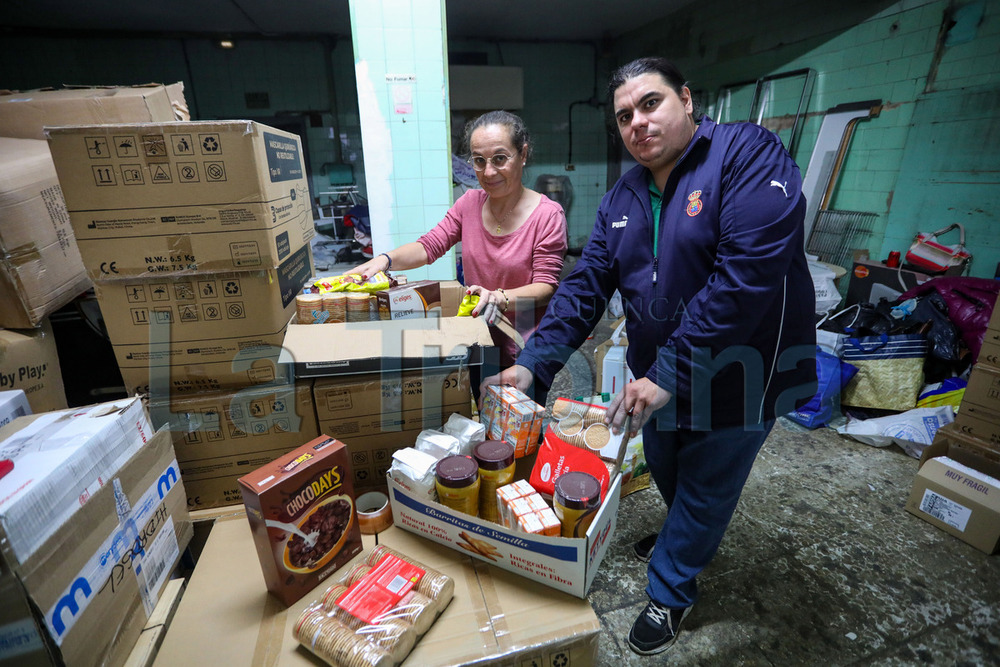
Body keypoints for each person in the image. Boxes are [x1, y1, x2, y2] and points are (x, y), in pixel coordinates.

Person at [483, 58, 817, 655]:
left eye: (651, 103)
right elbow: (586, 286)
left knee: (708, 484)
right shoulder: (626, 194)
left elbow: (745, 279)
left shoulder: (748, 155)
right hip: (662, 372)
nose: (637, 122)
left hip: (745, 370)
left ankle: (672, 589)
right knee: (664, 461)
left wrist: (668, 371)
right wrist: (536, 361)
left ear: (687, 100)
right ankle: (680, 534)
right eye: (624, 116)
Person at [351, 110, 567, 400]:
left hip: (524, 349)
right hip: (478, 338)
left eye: (500, 158)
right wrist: (383, 260)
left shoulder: (547, 215)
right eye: (479, 160)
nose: (488, 172)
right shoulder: (469, 204)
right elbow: (430, 246)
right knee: (481, 428)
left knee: (519, 434)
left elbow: (545, 286)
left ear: (523, 154)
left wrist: (498, 297)